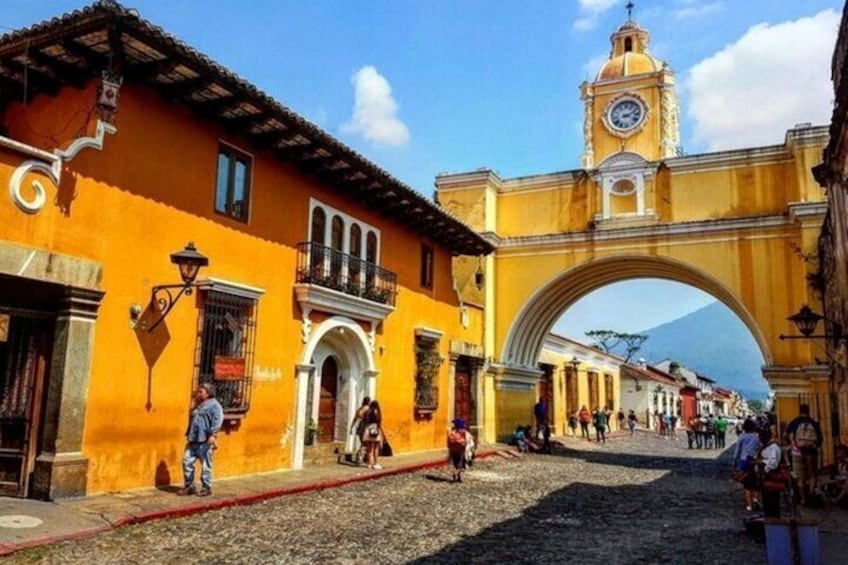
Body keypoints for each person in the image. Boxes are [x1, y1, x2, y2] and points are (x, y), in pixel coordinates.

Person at [179, 383, 223, 497]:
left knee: (206, 465)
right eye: (198, 391)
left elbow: (218, 420)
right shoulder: (197, 405)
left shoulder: (214, 405)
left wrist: (213, 435)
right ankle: (189, 486)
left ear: (208, 394)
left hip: (205, 440)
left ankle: (206, 487)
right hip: (193, 439)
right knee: (186, 462)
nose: (198, 393)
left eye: (201, 392)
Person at [784, 404, 823, 505]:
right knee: (812, 475)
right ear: (808, 411)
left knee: (800, 478)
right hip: (812, 453)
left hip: (798, 452)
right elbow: (820, 439)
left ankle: (803, 499)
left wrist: (792, 443)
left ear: (800, 411)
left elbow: (785, 435)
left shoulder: (795, 422)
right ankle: (811, 494)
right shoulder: (814, 423)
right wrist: (814, 446)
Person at [733, 419, 762, 512]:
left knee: (746, 484)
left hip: (743, 460)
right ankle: (755, 499)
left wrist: (734, 461)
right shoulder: (757, 436)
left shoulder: (742, 436)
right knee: (756, 482)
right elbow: (761, 446)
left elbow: (737, 450)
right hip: (754, 460)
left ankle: (749, 506)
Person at [758, 428, 786, 518]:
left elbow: (773, 464)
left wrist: (761, 463)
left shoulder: (773, 447)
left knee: (772, 502)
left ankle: (773, 522)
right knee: (767, 502)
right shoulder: (768, 446)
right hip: (766, 479)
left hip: (772, 478)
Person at [361, 399, 384, 470]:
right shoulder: (377, 412)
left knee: (369, 449)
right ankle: (375, 463)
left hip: (368, 429)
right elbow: (379, 422)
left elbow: (361, 416)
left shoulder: (367, 412)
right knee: (376, 448)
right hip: (375, 430)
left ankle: (369, 464)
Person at [447, 418, 471, 483]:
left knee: (455, 463)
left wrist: (450, 449)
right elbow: (467, 441)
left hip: (453, 451)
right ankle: (457, 474)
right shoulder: (464, 432)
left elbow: (449, 442)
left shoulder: (452, 433)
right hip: (461, 451)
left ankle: (457, 476)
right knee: (460, 464)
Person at [349, 396, 371, 466]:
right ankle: (359, 459)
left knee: (363, 443)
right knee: (365, 444)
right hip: (365, 428)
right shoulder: (368, 409)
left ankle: (361, 458)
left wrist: (351, 427)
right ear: (369, 401)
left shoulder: (359, 409)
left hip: (360, 428)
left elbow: (355, 419)